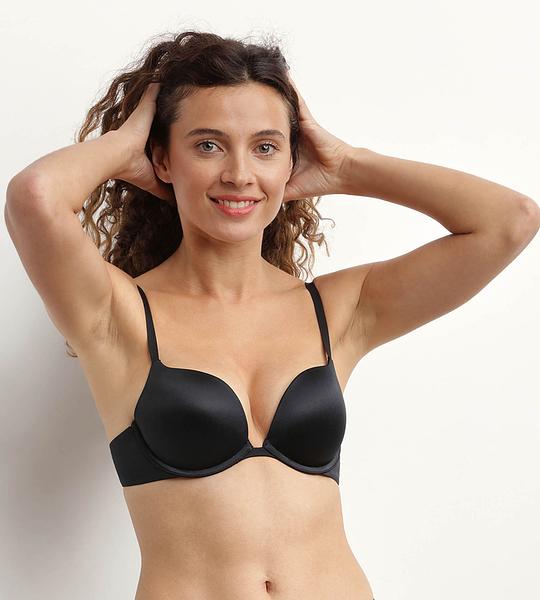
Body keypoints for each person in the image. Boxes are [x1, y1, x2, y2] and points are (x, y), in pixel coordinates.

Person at [5, 30, 538, 600]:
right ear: (162, 158)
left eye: (265, 147)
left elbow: (510, 221)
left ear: (292, 158)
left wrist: (346, 164)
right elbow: (35, 198)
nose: (239, 174)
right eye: (208, 145)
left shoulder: (337, 309)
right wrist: (124, 145)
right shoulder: (118, 316)